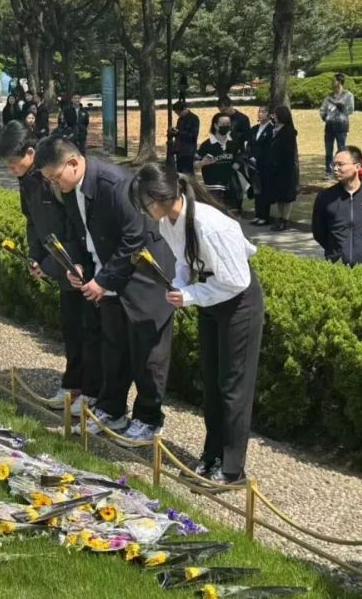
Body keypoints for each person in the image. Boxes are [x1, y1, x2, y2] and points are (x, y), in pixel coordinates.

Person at [130, 163, 264, 485]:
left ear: (162, 197)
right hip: (209, 296)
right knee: (212, 382)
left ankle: (232, 468)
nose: (145, 211)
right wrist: (179, 286)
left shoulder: (210, 224)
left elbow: (236, 281)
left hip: (238, 302)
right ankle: (211, 454)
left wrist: (189, 295)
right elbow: (182, 262)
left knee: (233, 385)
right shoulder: (169, 223)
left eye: (146, 203)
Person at [36, 137, 176, 443]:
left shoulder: (115, 184)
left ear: (73, 163)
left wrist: (103, 281)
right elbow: (77, 232)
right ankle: (112, 409)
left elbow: (134, 237)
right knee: (113, 348)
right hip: (108, 276)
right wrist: (78, 265)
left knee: (148, 354)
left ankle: (149, 419)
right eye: (49, 180)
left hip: (143, 277)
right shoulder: (70, 189)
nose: (54, 185)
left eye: (55, 177)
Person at [0, 122, 102, 415]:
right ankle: (73, 384)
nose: (11, 170)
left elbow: (73, 224)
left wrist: (55, 263)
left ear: (30, 153)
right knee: (71, 328)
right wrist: (36, 257)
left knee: (89, 329)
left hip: (78, 262)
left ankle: (92, 391)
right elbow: (33, 222)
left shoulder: (52, 177)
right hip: (57, 261)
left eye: (14, 164)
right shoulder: (27, 181)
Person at [312, 146, 362, 269]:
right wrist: (335, 251)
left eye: (340, 165)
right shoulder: (325, 197)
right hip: (337, 266)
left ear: (357, 167)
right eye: (334, 165)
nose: (335, 169)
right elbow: (319, 232)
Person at [195, 113, 242, 214]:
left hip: (230, 184)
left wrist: (237, 163)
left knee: (232, 213)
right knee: (216, 213)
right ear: (216, 126)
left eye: (228, 124)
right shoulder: (207, 145)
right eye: (223, 124)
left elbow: (239, 156)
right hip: (214, 185)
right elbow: (194, 163)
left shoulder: (233, 143)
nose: (226, 126)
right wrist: (202, 163)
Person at [267, 106, 300, 232]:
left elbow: (288, 151)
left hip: (286, 168)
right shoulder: (274, 129)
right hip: (275, 168)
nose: (274, 117)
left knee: (286, 196)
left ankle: (285, 219)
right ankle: (280, 217)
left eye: (275, 114)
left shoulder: (289, 131)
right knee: (279, 195)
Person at [319, 73, 355, 178]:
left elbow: (351, 110)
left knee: (341, 150)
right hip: (329, 127)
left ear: (339, 82)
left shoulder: (348, 96)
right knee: (328, 151)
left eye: (334, 80)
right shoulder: (329, 97)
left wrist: (342, 107)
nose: (332, 82)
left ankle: (341, 171)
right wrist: (324, 117)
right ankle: (329, 172)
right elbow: (322, 109)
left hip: (341, 126)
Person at [245, 107, 275, 225]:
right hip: (253, 164)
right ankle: (258, 214)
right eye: (259, 112)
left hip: (264, 164)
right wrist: (250, 156)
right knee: (256, 190)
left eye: (264, 112)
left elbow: (268, 148)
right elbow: (250, 144)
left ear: (269, 115)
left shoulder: (271, 129)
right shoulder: (254, 129)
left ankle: (264, 216)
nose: (260, 114)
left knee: (264, 190)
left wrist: (258, 157)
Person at [167, 100, 199, 175]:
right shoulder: (180, 119)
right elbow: (178, 132)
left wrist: (178, 132)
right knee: (180, 173)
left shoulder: (194, 118)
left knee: (188, 173)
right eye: (177, 113)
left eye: (179, 113)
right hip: (179, 150)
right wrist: (173, 132)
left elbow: (193, 135)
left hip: (188, 150)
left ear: (184, 109)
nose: (178, 115)